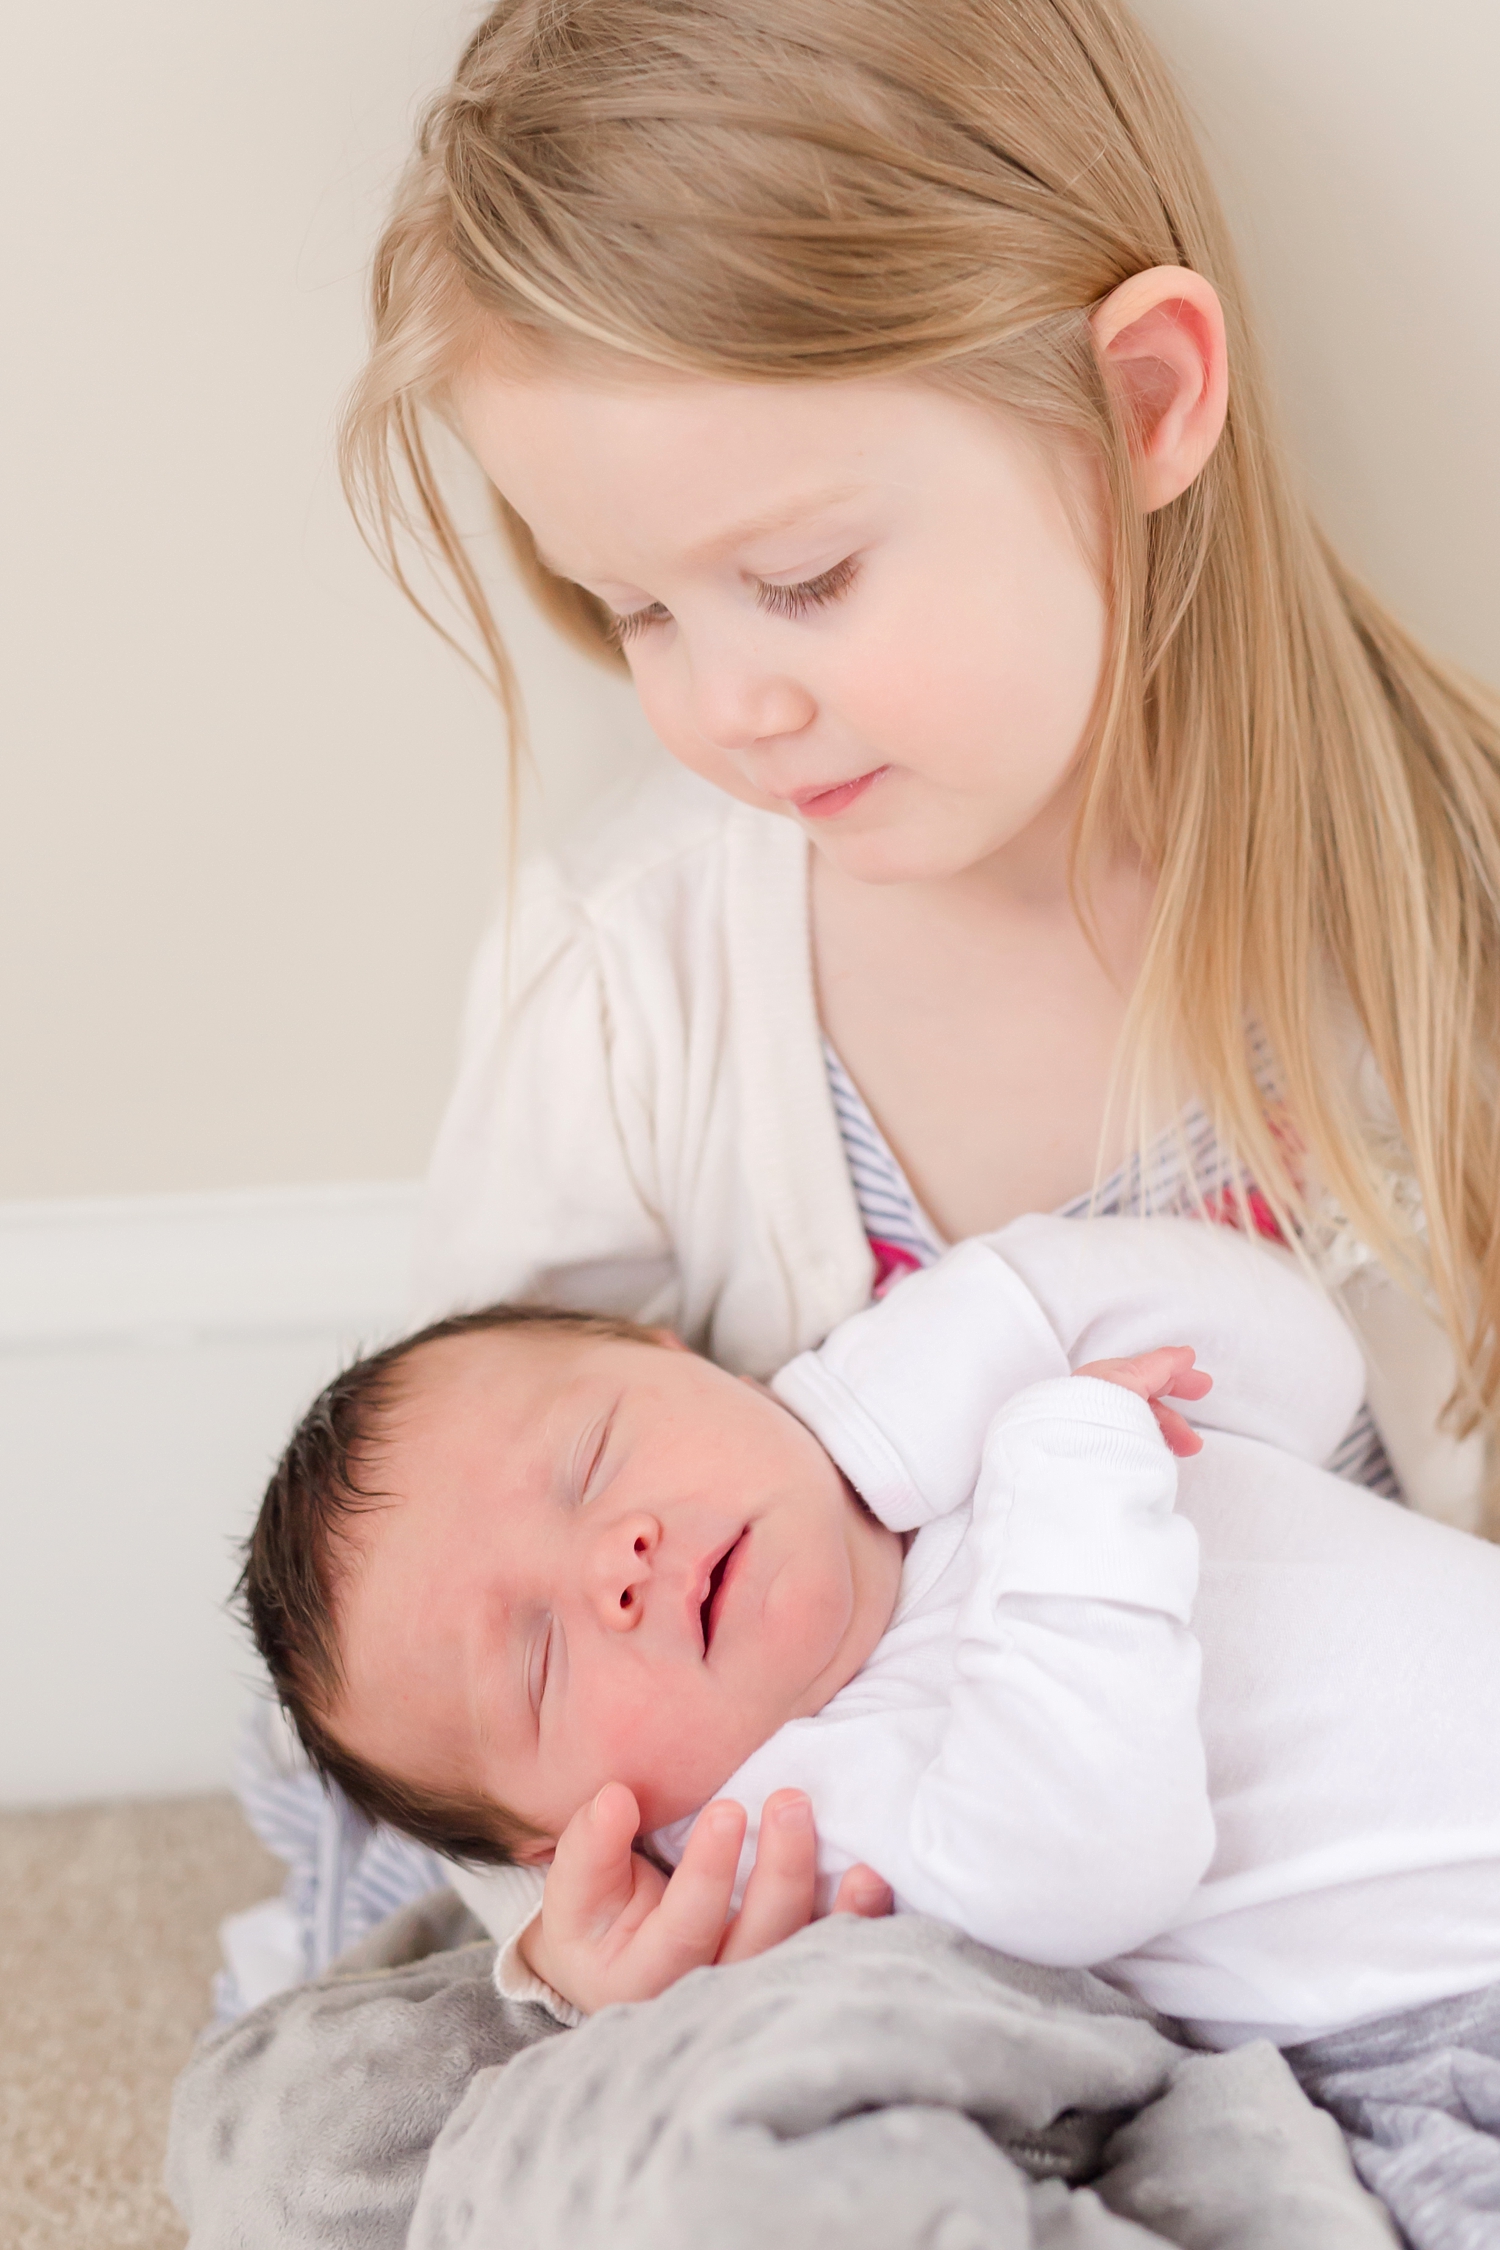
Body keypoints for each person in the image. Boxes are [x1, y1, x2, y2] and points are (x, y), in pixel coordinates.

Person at [229, 0, 1500, 2009]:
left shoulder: (1432, 905)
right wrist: (577, 1957)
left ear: (1145, 404)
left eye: (805, 577)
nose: (724, 701)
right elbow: (475, 1639)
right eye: (638, 609)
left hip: (1372, 1906)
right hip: (913, 1938)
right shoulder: (633, 982)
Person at [239, 1213, 1500, 2247]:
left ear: (675, 1357)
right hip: (1436, 2008)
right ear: (563, 1839)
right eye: (538, 1656)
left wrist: (961, 1346)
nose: (613, 1567)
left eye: (592, 1456)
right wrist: (1064, 1471)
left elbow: (1303, 1359)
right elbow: (1085, 1861)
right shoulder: (800, 1804)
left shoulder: (922, 1399)